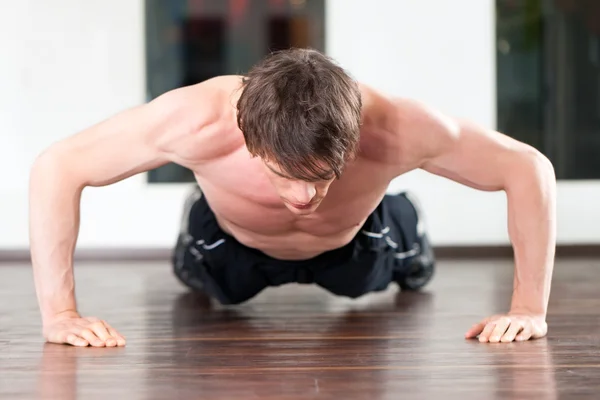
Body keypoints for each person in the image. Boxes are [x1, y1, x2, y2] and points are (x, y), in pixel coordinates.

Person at [29, 48, 555, 348]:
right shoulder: (196, 120)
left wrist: (529, 309)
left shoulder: (397, 126)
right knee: (205, 280)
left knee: (397, 260)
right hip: (233, 249)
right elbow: (59, 166)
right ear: (249, 140)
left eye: (325, 174)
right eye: (285, 174)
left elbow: (527, 167)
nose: (305, 197)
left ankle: (403, 226)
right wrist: (60, 314)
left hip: (354, 249)